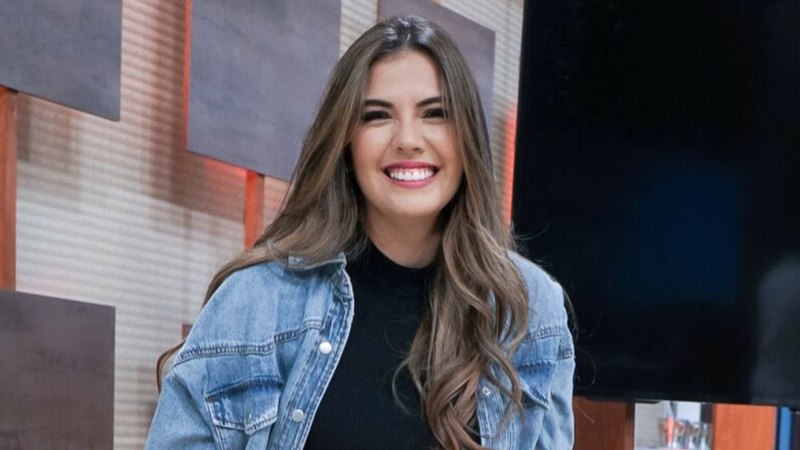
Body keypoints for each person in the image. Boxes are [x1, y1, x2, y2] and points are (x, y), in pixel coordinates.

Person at [145, 15, 574, 450]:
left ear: (468, 140)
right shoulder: (256, 301)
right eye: (377, 116)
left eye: (435, 114)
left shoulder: (528, 308)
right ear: (347, 143)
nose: (408, 139)